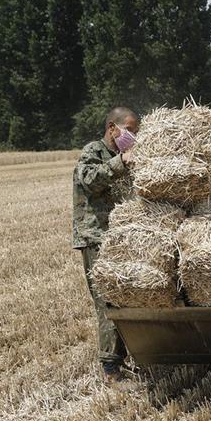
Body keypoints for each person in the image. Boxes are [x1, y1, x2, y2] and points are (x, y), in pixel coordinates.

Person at [73, 106, 139, 382]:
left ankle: (135, 356)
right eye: (129, 130)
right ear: (113, 127)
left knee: (129, 298)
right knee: (107, 302)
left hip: (121, 236)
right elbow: (88, 180)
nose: (133, 136)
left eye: (135, 132)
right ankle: (111, 368)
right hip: (97, 237)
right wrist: (121, 162)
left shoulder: (123, 155)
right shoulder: (93, 152)